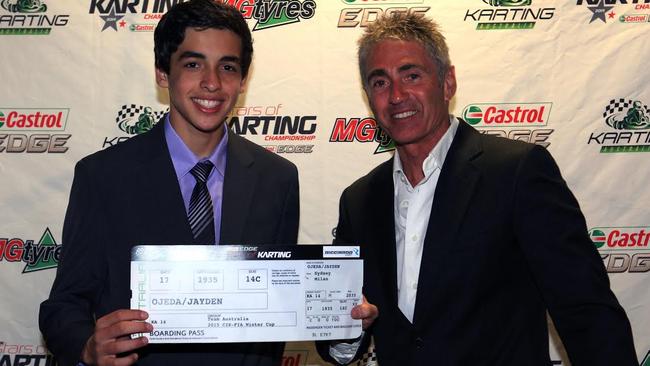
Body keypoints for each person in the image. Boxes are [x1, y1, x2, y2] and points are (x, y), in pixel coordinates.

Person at [322, 12, 637, 366]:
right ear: (368, 96)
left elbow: (586, 310)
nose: (396, 95)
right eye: (380, 82)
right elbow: (341, 331)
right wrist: (347, 328)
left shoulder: (517, 172)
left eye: (411, 75)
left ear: (448, 82)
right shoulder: (359, 200)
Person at [39, 1, 299, 365]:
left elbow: (280, 297)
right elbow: (64, 304)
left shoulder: (278, 178)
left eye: (227, 67)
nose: (212, 82)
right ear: (163, 73)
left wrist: (338, 313)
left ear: (242, 80)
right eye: (193, 64)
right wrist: (87, 347)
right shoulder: (102, 176)